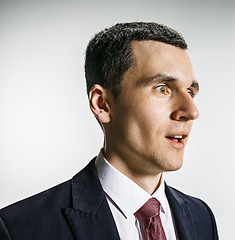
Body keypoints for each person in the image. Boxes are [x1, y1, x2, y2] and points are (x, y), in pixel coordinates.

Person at [0, 22, 219, 240]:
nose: (192, 111)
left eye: (190, 92)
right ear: (102, 104)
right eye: (162, 89)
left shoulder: (201, 217)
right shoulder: (20, 228)